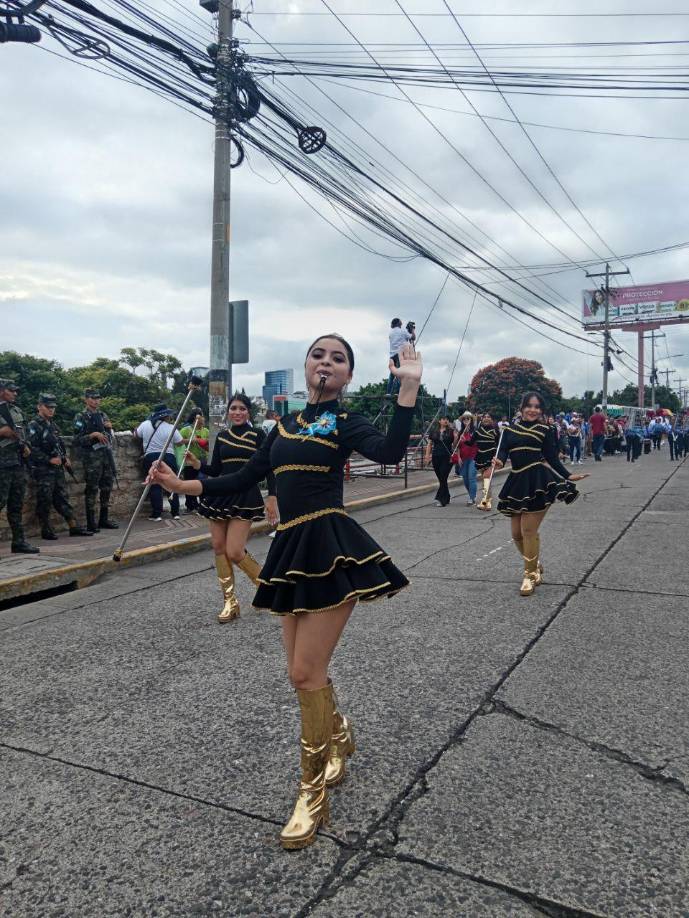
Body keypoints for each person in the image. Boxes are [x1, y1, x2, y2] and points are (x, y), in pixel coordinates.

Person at [149, 335, 422, 850]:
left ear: (346, 376)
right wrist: (181, 486)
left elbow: (388, 451)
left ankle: (311, 792)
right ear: (306, 366)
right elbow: (245, 478)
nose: (327, 362)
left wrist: (407, 387)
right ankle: (339, 735)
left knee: (304, 671)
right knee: (300, 673)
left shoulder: (344, 422)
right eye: (319, 355)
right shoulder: (280, 428)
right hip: (290, 549)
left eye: (339, 359)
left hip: (332, 546)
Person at [186, 393, 277, 623]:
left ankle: (268, 589)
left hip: (245, 495)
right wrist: (198, 465)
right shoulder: (223, 436)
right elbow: (216, 470)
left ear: (249, 412)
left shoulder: (258, 435)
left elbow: (269, 468)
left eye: (242, 409)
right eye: (233, 408)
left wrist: (272, 496)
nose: (237, 412)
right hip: (220, 494)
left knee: (235, 551)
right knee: (218, 547)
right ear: (228, 412)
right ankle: (230, 602)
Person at [492, 392, 588, 596]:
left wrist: (568, 476)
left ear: (541, 410)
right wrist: (498, 461)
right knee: (516, 534)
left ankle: (529, 575)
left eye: (537, 407)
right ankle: (535, 563)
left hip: (538, 481)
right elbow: (502, 453)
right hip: (516, 481)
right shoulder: (508, 430)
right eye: (529, 406)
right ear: (522, 407)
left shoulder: (546, 429)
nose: (533, 410)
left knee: (528, 531)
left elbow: (552, 458)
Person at [27, 394, 92, 540]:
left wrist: (64, 457)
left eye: (53, 407)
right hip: (43, 470)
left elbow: (59, 444)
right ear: (39, 407)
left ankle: (73, 526)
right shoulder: (33, 425)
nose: (51, 410)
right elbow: (31, 449)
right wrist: (49, 459)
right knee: (45, 500)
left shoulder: (53, 425)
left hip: (56, 470)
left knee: (62, 498)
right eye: (48, 407)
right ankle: (45, 529)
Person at [0, 379, 39, 554]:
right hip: (1, 464)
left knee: (16, 504)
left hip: (17, 463)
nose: (15, 393)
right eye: (11, 390)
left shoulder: (16, 411)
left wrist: (26, 446)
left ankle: (19, 542)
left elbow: (23, 433)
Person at [73, 388, 119, 533]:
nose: (96, 401)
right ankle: (91, 523)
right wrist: (92, 435)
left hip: (106, 456)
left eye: (98, 398)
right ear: (86, 399)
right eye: (93, 398)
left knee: (106, 488)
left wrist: (110, 429)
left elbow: (110, 436)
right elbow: (76, 440)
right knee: (92, 489)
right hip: (91, 459)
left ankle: (103, 519)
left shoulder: (102, 415)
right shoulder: (80, 416)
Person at [134, 405, 183, 522]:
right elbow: (180, 442)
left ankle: (157, 514)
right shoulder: (172, 427)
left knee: (154, 484)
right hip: (168, 456)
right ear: (166, 415)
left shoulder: (145, 424)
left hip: (150, 456)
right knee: (172, 483)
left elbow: (136, 435)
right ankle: (175, 512)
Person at [176, 409, 209, 513]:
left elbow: (210, 446)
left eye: (203, 416)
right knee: (190, 483)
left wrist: (204, 443)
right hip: (190, 461)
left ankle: (203, 504)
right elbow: (178, 442)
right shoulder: (186, 430)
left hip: (203, 460)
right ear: (196, 418)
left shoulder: (206, 431)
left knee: (203, 483)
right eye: (201, 416)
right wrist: (192, 440)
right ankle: (191, 505)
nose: (203, 418)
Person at [424, 416, 455, 507]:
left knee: (443, 476)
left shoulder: (451, 431)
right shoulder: (434, 431)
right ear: (439, 421)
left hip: (447, 457)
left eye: (447, 419)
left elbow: (456, 444)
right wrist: (427, 456)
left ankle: (441, 499)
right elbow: (429, 444)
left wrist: (456, 437)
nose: (446, 420)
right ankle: (447, 496)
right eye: (444, 419)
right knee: (441, 478)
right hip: (436, 456)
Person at [475, 412, 498, 509]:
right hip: (480, 457)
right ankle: (487, 500)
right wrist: (460, 439)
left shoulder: (495, 431)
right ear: (482, 419)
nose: (486, 418)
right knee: (485, 480)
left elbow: (501, 446)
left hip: (491, 457)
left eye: (489, 417)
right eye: (484, 417)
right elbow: (470, 443)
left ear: (491, 419)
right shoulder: (478, 431)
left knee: (486, 477)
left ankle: (486, 502)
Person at [454, 411, 478, 504]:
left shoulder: (475, 431)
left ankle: (472, 498)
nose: (466, 420)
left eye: (468, 419)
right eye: (464, 419)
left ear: (471, 420)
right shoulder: (461, 432)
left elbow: (476, 444)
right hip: (463, 457)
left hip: (473, 457)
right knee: (465, 478)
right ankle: (472, 494)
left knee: (471, 476)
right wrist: (459, 457)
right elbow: (457, 447)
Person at [386, 318, 413, 395]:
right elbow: (412, 337)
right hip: (399, 355)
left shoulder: (391, 333)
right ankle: (397, 392)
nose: (402, 323)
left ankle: (388, 392)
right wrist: (412, 330)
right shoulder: (403, 331)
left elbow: (402, 339)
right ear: (398, 323)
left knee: (392, 375)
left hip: (392, 356)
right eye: (400, 322)